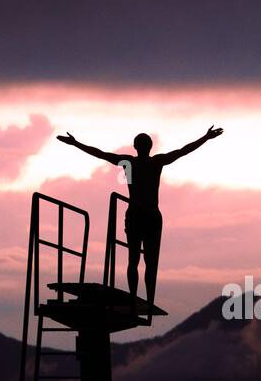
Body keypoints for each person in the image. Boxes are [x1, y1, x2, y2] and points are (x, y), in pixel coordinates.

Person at [56, 126, 223, 317]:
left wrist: (76, 143)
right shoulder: (156, 162)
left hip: (137, 214)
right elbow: (183, 151)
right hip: (150, 215)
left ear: (135, 146)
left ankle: (135, 297)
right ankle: (148, 299)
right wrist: (206, 137)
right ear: (150, 147)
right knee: (149, 262)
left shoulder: (129, 163)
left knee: (133, 260)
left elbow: (101, 154)